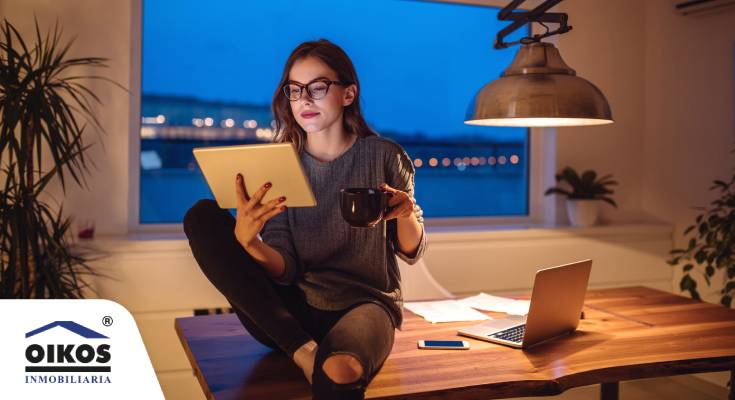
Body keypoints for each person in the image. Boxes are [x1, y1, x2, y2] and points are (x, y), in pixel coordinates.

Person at [183, 38, 427, 400]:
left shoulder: (385, 156)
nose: (305, 99)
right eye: (295, 90)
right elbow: (285, 269)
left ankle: (314, 357)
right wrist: (250, 243)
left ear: (348, 94)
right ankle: (303, 351)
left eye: (318, 87)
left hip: (365, 304)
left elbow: (411, 251)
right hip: (288, 314)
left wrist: (405, 213)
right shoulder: (281, 163)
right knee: (201, 215)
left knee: (342, 370)